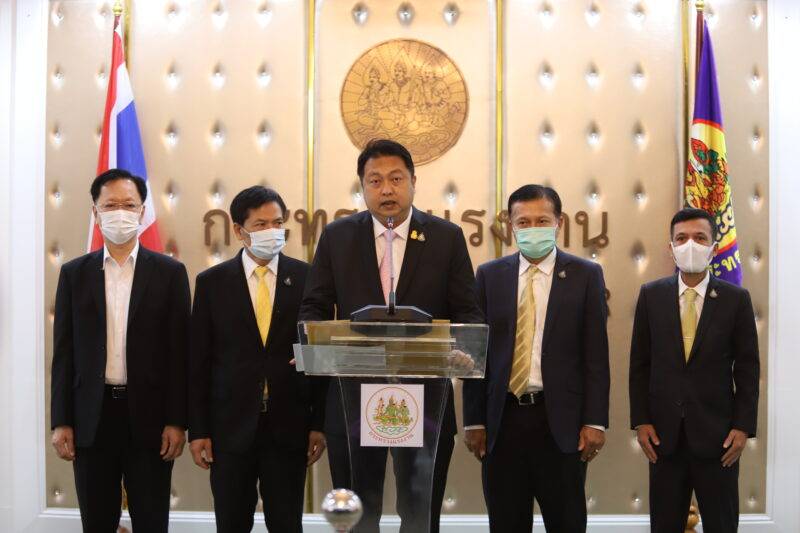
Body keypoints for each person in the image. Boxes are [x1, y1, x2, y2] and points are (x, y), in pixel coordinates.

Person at [299, 139, 482, 532]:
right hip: (352, 395)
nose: (386, 189)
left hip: (425, 397)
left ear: (414, 182)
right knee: (357, 511)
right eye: (375, 180)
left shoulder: (446, 237)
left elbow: (468, 310)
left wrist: (462, 350)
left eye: (396, 179)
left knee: (419, 511)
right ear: (362, 186)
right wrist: (312, 343)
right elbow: (314, 306)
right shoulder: (337, 237)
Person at [463, 184, 610, 532]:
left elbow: (595, 355)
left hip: (560, 423)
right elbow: (476, 355)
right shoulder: (489, 276)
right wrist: (474, 421)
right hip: (503, 421)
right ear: (510, 226)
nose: (533, 229)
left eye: (542, 220)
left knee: (567, 522)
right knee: (506, 523)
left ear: (559, 222)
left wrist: (595, 421)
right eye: (523, 222)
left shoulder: (586, 275)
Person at [50, 168, 190, 532]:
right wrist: (61, 420)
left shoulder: (170, 273)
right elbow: (64, 354)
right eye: (110, 205)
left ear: (142, 211)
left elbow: (179, 355)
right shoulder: (74, 274)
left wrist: (177, 420)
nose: (120, 213)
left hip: (151, 418)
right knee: (97, 522)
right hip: (91, 418)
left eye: (129, 204)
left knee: (152, 521)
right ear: (95, 212)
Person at [188, 186, 326, 533]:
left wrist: (319, 424)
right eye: (261, 225)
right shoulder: (211, 283)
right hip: (229, 429)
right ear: (239, 230)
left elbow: (321, 356)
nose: (271, 231)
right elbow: (199, 363)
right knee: (232, 523)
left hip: (289, 426)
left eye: (277, 223)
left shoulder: (308, 278)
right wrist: (199, 430)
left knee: (287, 523)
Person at [629, 207, 759, 533]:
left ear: (714, 248)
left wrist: (743, 427)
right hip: (663, 437)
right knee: (664, 525)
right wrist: (641, 420)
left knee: (721, 524)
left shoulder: (735, 299)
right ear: (671, 247)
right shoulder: (651, 295)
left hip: (719, 438)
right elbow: (640, 365)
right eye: (682, 238)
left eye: (700, 238)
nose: (690, 245)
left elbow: (747, 368)